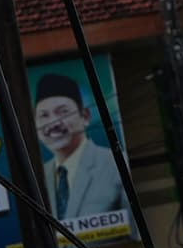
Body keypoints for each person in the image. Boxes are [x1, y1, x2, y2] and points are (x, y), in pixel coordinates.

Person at [30, 73, 131, 233]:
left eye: (62, 112)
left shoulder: (115, 163)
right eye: (43, 115)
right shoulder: (37, 177)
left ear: (85, 116)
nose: (53, 123)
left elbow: (134, 229)